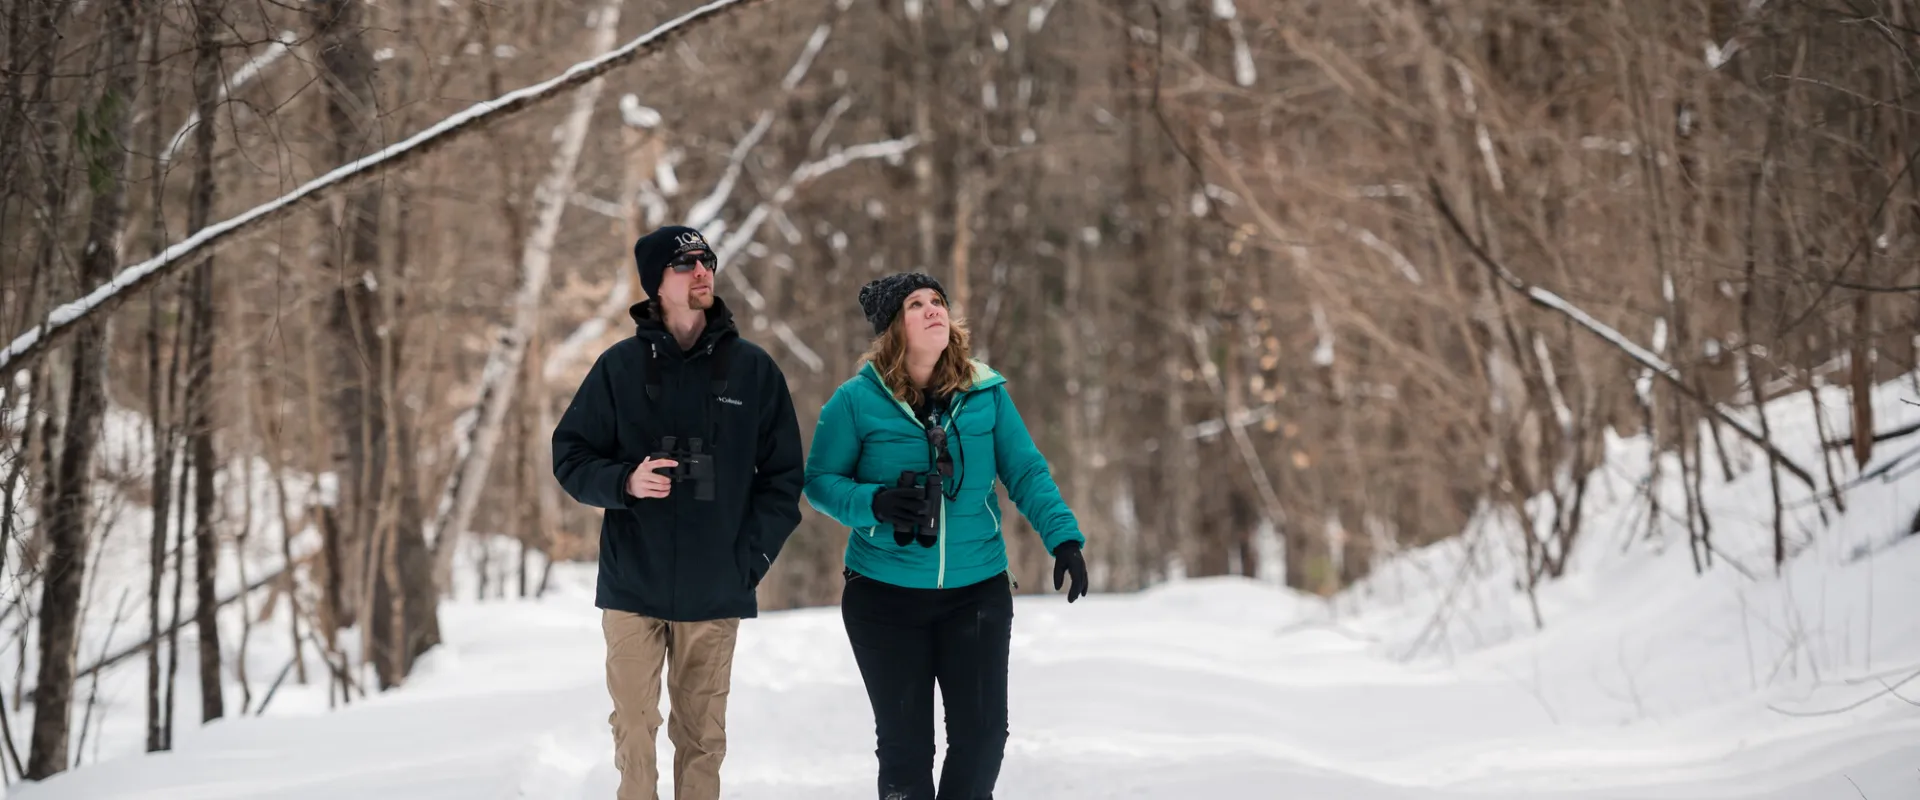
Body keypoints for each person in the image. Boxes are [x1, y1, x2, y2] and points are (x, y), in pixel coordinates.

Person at [802, 271, 1089, 800]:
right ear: (894, 327)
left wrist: (1064, 539)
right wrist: (875, 503)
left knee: (982, 740)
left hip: (975, 593)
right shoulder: (855, 400)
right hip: (883, 596)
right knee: (906, 750)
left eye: (938, 301)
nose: (934, 309)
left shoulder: (986, 392)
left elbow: (1025, 472)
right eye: (916, 304)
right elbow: (818, 482)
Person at [551, 224, 804, 800]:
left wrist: (751, 560)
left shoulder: (753, 370)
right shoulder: (618, 367)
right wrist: (624, 480)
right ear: (655, 283)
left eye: (706, 261)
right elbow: (569, 456)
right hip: (632, 584)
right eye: (685, 264)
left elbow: (785, 479)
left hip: (717, 586)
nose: (701, 272)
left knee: (702, 739)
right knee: (634, 730)